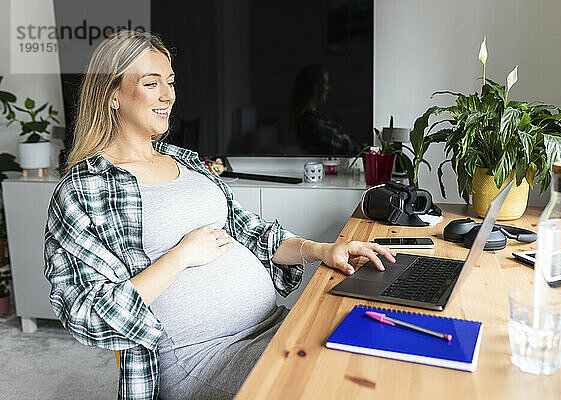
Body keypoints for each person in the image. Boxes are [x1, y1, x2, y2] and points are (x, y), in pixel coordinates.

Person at [43, 30, 395, 400]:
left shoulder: (185, 161)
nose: (169, 95)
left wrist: (322, 250)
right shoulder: (85, 189)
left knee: (378, 350)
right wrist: (180, 257)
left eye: (171, 82)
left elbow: (255, 233)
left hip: (274, 322)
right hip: (204, 360)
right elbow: (86, 313)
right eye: (151, 83)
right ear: (112, 95)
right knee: (336, 384)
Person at [290, 65, 361, 155]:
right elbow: (344, 148)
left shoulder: (315, 118)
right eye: (325, 83)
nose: (328, 88)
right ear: (315, 87)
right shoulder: (310, 122)